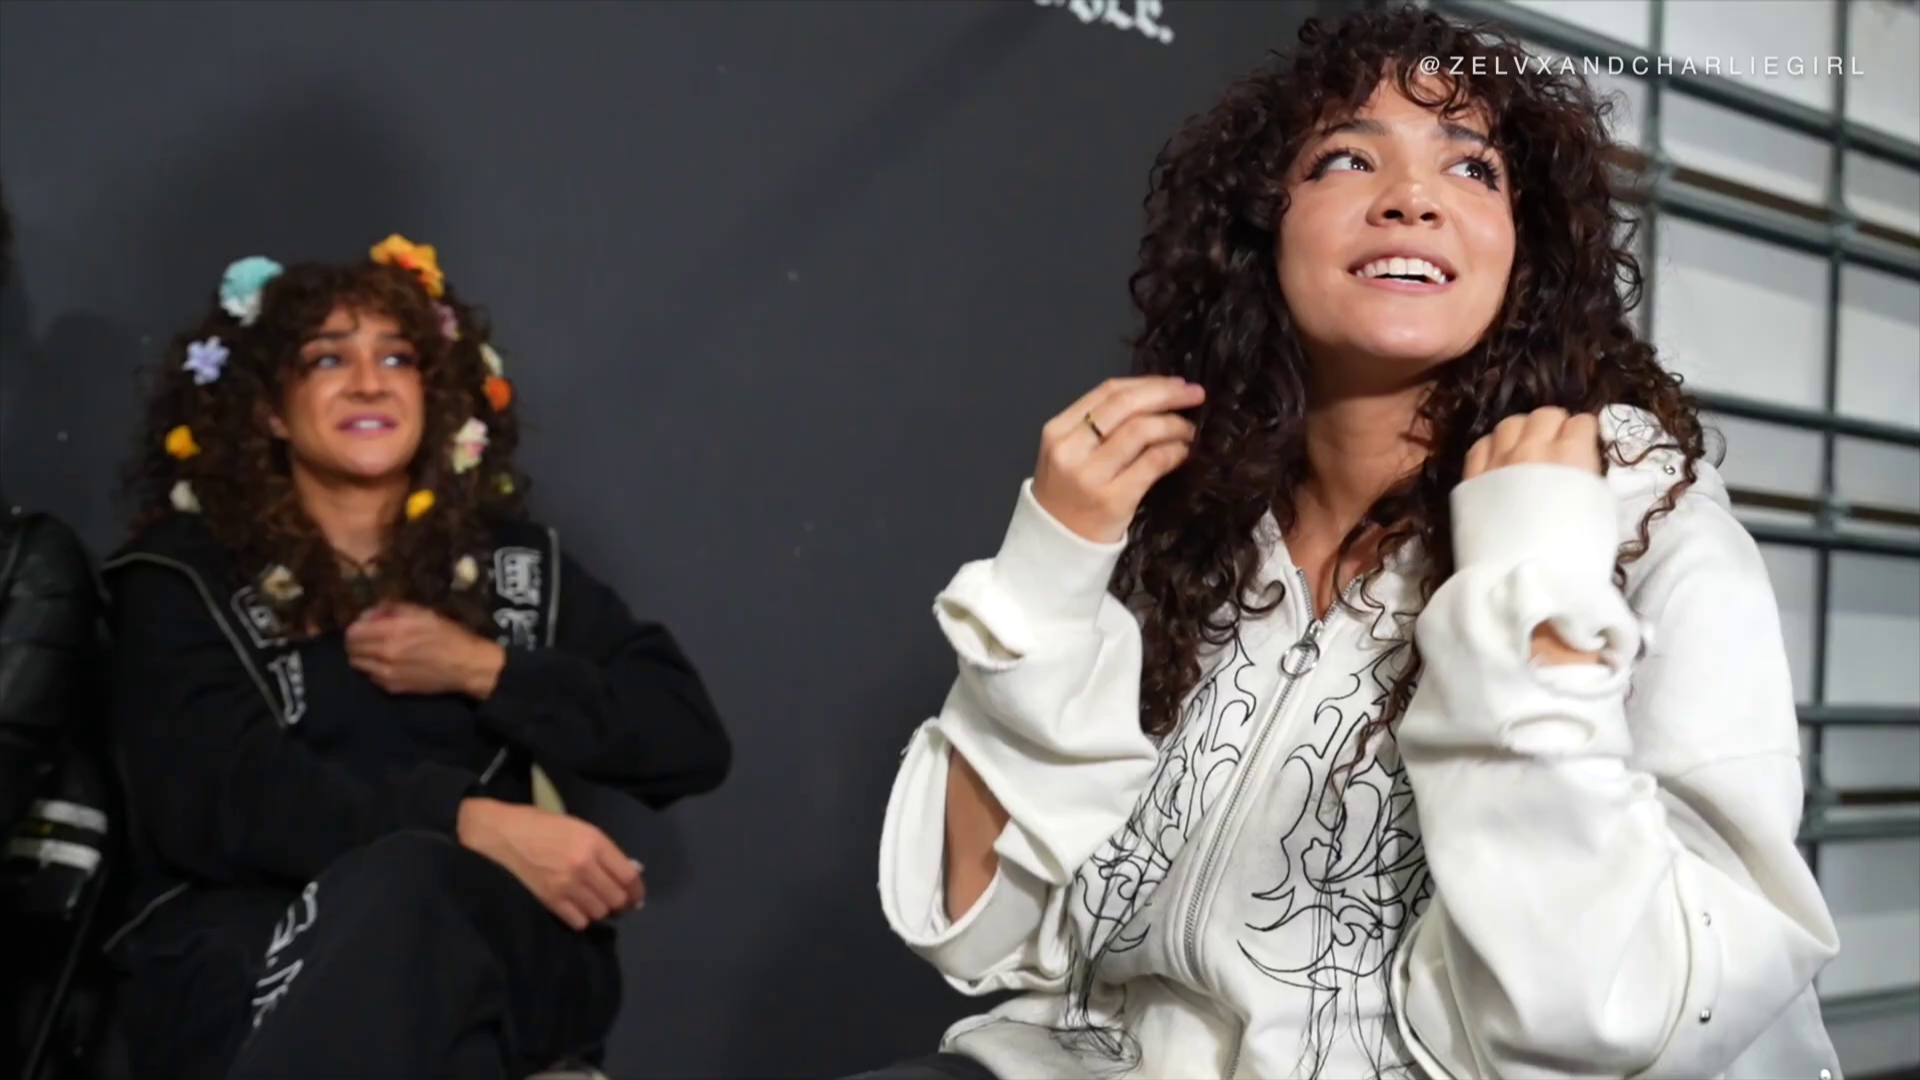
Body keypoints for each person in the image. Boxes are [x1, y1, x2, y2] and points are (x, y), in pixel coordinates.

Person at [866, 8, 1841, 1080]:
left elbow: (1605, 1016)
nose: (1412, 197)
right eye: (1346, 158)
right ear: (1264, 227)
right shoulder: (1185, 525)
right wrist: (1048, 576)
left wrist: (1529, 586)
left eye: (1472, 169)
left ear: (1526, 250)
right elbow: (980, 926)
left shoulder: (1636, 523)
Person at [101, 236, 731, 1080]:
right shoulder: (181, 575)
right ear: (270, 410)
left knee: (433, 919)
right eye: (329, 359)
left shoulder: (512, 565)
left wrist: (485, 670)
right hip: (255, 944)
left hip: (492, 938)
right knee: (413, 938)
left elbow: (685, 737)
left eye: (397, 358)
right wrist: (464, 822)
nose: (370, 383)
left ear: (434, 393)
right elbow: (216, 794)